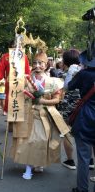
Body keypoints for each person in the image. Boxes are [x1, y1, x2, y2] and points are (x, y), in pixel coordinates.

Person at [10, 52, 70, 180]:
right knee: (27, 140)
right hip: (28, 113)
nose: (37, 66)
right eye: (35, 63)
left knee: (42, 140)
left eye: (40, 63)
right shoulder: (25, 79)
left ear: (46, 64)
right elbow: (16, 95)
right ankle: (28, 167)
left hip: (44, 115)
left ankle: (38, 162)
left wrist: (43, 101)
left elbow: (56, 100)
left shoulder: (53, 81)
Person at [68, 49, 95, 192]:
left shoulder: (84, 74)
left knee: (84, 157)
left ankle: (82, 190)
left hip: (86, 117)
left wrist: (76, 72)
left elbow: (69, 86)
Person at [55, 49, 81, 170]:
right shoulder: (84, 73)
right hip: (82, 107)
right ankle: (91, 160)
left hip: (66, 108)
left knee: (66, 132)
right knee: (86, 134)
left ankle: (70, 160)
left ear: (65, 61)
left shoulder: (62, 75)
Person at [0, 41, 31, 115]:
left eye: (19, 45)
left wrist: (27, 80)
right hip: (11, 82)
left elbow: (27, 71)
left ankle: (16, 124)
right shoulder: (6, 56)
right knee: (12, 102)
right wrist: (0, 77)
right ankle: (11, 124)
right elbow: (0, 68)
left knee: (18, 102)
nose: (17, 47)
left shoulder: (24, 56)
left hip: (21, 82)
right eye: (15, 45)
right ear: (11, 46)